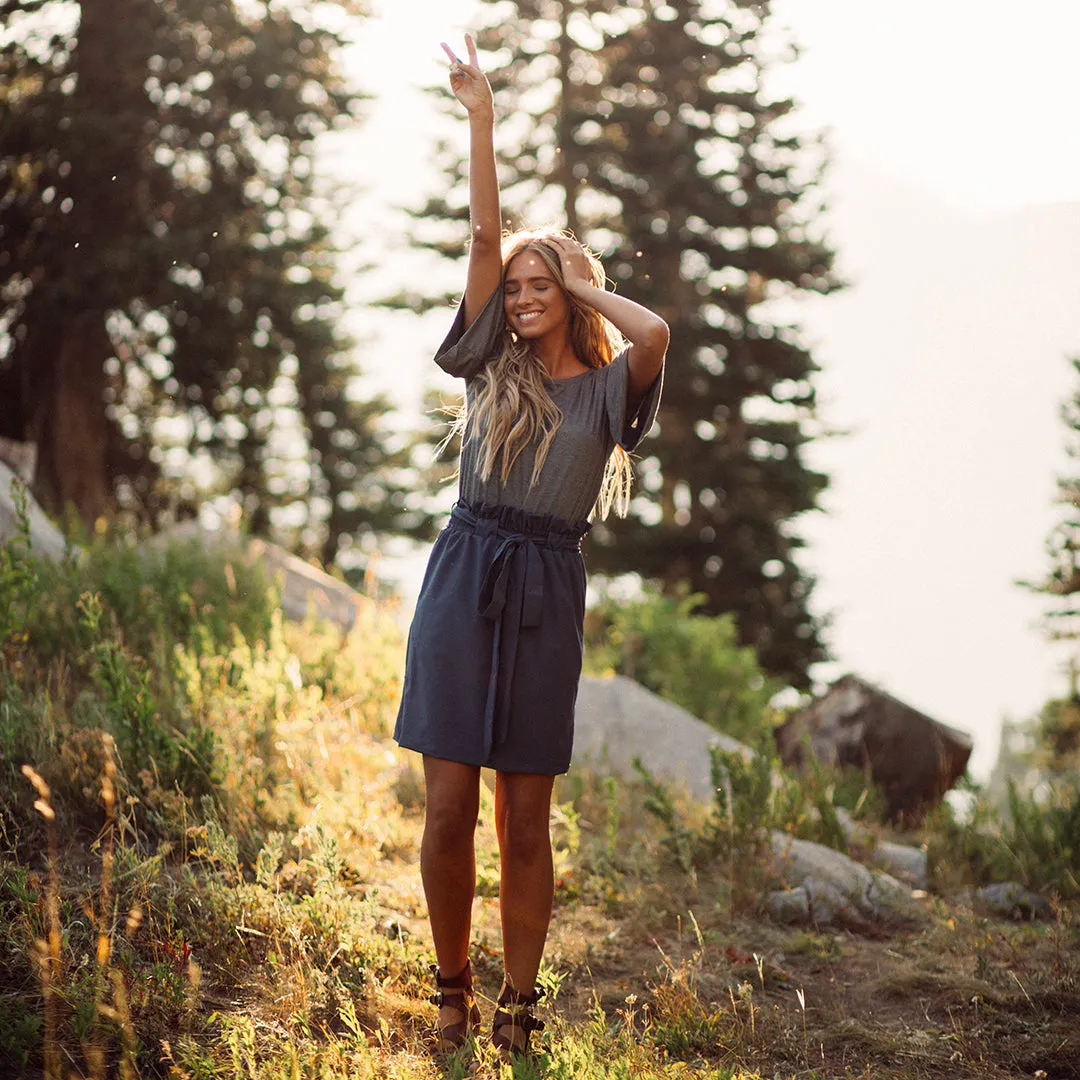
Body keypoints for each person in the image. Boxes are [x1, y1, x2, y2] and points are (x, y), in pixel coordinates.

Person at [392, 34, 669, 1060]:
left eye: (535, 285)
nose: (519, 297)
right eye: (514, 287)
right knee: (449, 803)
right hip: (467, 573)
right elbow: (481, 235)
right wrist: (482, 122)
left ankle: (518, 1001)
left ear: (572, 291)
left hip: (549, 585)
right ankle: (451, 988)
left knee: (524, 819)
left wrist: (571, 277)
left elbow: (654, 338)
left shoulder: (604, 392)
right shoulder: (485, 370)